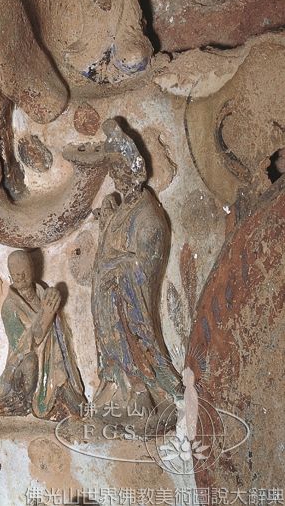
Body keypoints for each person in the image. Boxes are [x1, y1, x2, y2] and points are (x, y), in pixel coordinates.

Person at [88, 119, 180, 413]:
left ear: (134, 170)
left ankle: (145, 392)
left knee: (132, 344)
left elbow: (145, 266)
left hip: (126, 300)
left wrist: (114, 266)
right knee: (113, 344)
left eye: (119, 170)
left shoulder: (148, 215)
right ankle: (120, 386)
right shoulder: (123, 208)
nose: (115, 177)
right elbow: (109, 247)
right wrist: (106, 223)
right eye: (112, 171)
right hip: (108, 297)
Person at [0, 249, 84, 419]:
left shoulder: (42, 293)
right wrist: (47, 315)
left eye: (24, 271)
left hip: (52, 358)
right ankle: (28, 402)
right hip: (26, 361)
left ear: (32, 270)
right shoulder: (10, 308)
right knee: (30, 364)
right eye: (15, 273)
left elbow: (58, 328)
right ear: (10, 275)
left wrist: (54, 305)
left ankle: (59, 394)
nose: (20, 277)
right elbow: (25, 346)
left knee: (72, 402)